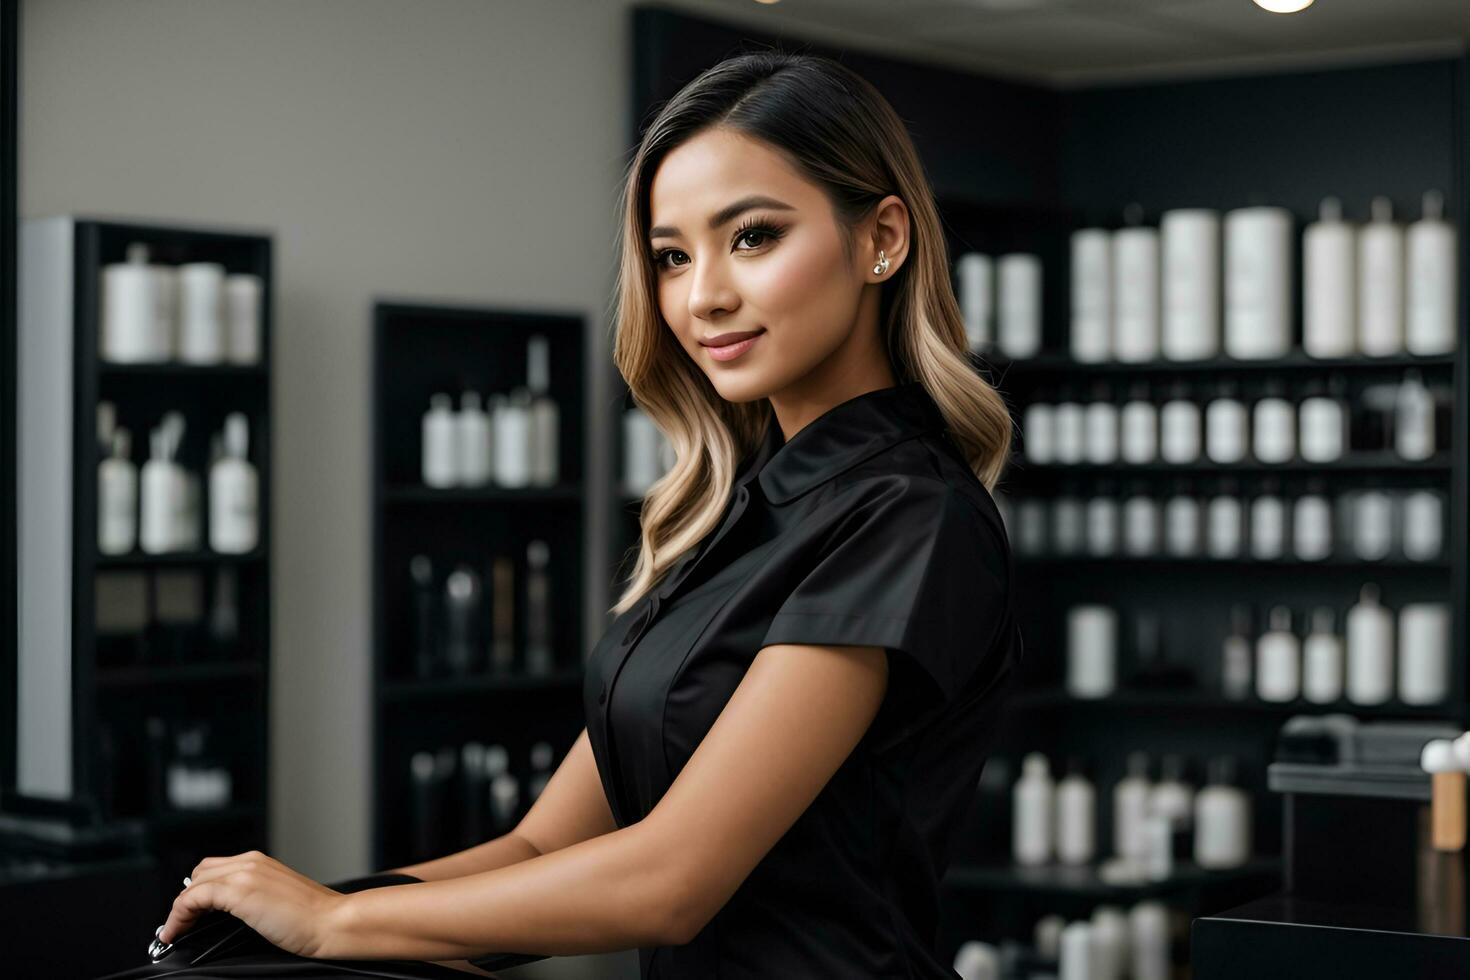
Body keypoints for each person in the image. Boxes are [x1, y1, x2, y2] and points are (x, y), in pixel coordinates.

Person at [154, 48, 1023, 979]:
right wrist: (287, 926)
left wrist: (333, 925)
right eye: (671, 257)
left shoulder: (910, 516)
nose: (704, 296)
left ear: (881, 239)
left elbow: (673, 881)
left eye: (754, 236)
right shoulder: (739, 517)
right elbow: (538, 853)